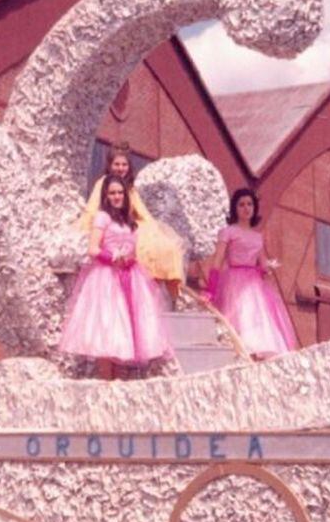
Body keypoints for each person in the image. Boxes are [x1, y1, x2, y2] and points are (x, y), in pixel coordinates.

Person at [60, 174, 171, 367]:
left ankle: (119, 384)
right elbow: (93, 249)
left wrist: (129, 259)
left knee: (126, 334)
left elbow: (133, 250)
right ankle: (107, 385)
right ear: (106, 195)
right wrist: (112, 257)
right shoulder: (102, 217)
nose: (117, 196)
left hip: (130, 275)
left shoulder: (129, 221)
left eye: (120, 192)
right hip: (106, 277)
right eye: (112, 193)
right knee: (108, 331)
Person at [79, 142, 185, 296]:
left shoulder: (129, 188)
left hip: (126, 224)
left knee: (162, 245)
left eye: (124, 164)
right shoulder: (103, 183)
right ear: (110, 165)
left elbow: (142, 212)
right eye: (117, 164)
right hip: (111, 229)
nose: (120, 168)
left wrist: (153, 229)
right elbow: (93, 208)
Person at [203, 188, 297, 359]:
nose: (246, 208)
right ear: (235, 209)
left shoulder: (257, 237)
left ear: (254, 208)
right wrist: (211, 289)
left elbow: (261, 264)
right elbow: (217, 261)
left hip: (254, 284)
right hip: (233, 281)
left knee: (257, 321)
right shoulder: (228, 232)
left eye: (249, 204)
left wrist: (268, 266)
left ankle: (254, 356)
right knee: (239, 317)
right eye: (241, 205)